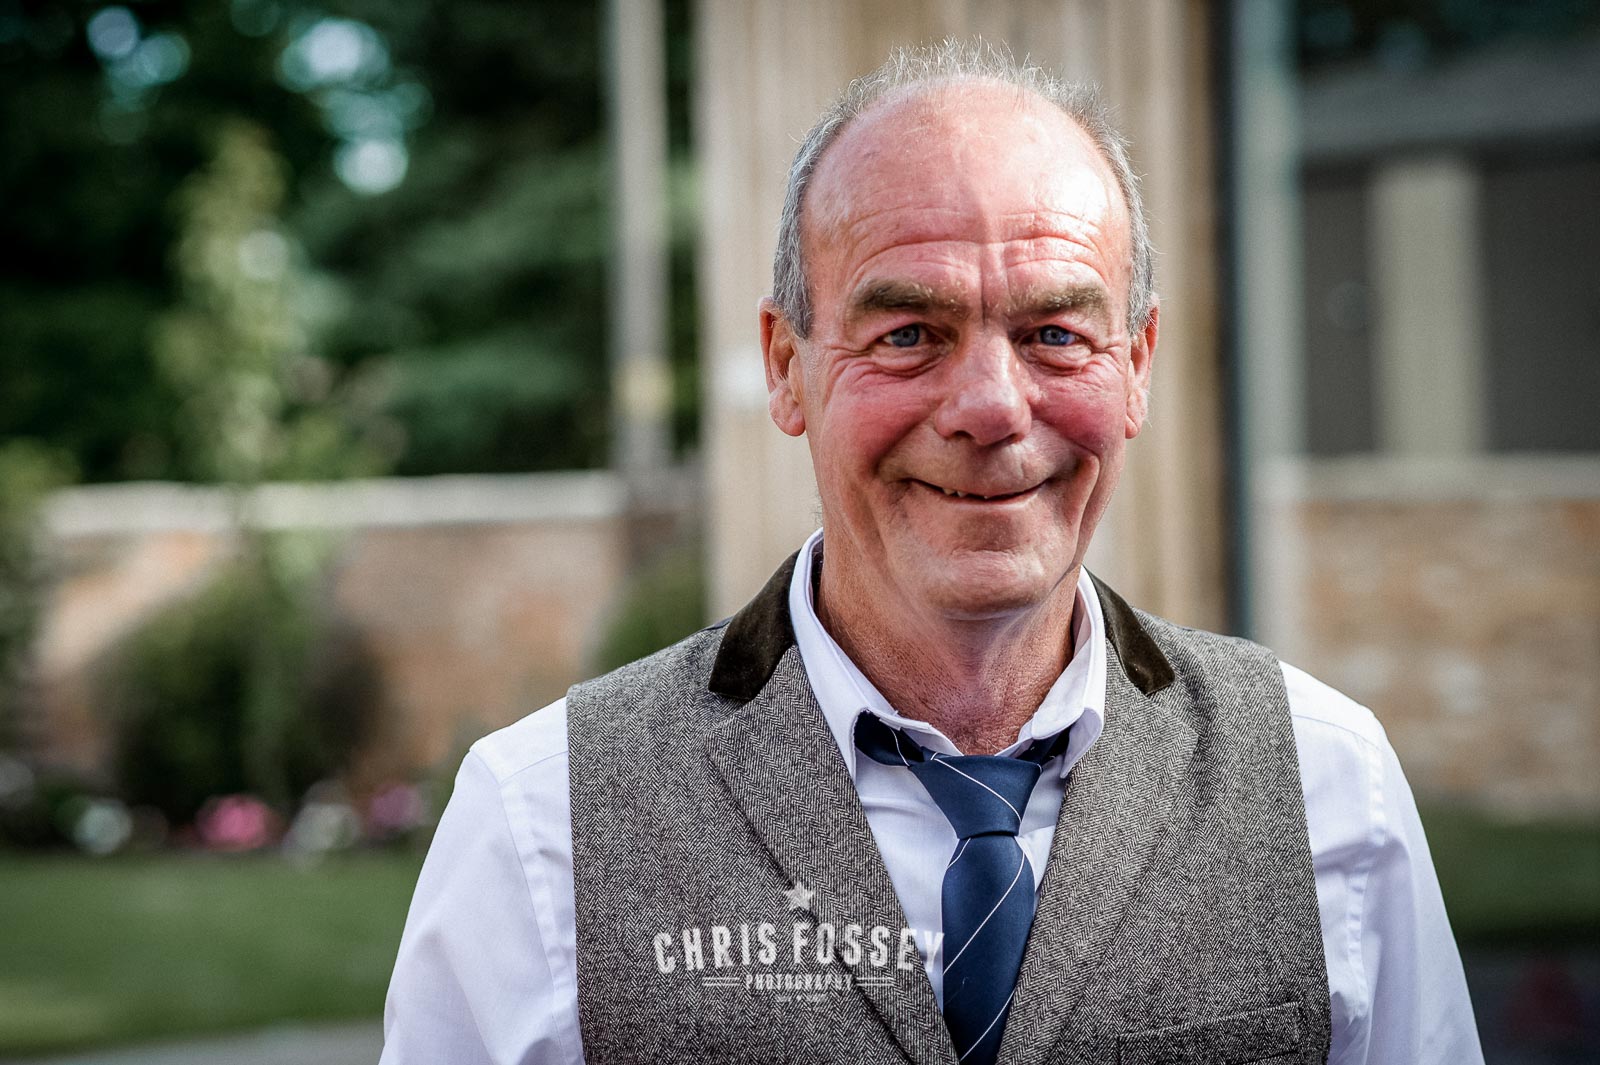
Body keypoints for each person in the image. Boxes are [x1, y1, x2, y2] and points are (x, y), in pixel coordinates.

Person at [380, 43, 1483, 1065]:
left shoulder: (1328, 786)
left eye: (1055, 332)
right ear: (786, 366)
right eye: (908, 335)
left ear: (1136, 363)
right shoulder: (543, 822)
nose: (990, 408)